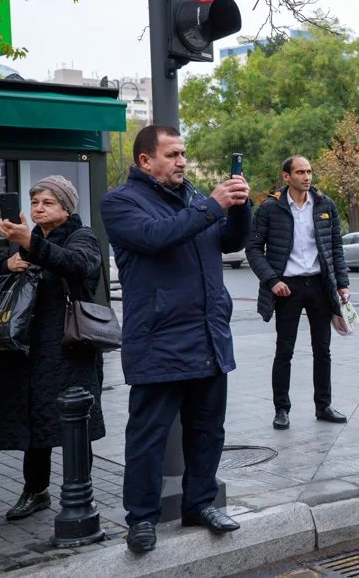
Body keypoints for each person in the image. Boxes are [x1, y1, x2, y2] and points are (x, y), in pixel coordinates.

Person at [102, 126, 251, 553]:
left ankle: (199, 503)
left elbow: (231, 241)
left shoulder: (194, 197)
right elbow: (155, 238)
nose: (182, 161)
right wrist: (211, 206)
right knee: (148, 437)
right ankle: (142, 519)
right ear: (145, 161)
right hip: (158, 340)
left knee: (208, 431)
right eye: (173, 154)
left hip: (208, 336)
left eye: (184, 153)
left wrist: (239, 207)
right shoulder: (121, 202)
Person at [0, 177, 105, 521]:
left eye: (48, 202)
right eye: (36, 202)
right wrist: (5, 263)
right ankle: (35, 490)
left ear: (66, 208)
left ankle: (81, 491)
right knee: (33, 422)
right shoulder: (27, 238)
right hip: (25, 347)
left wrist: (31, 245)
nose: (39, 208)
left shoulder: (81, 236)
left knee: (75, 422)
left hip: (68, 347)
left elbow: (79, 265)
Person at [245, 155, 351, 430]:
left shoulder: (325, 204)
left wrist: (342, 283)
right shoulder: (270, 208)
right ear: (286, 176)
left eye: (309, 171)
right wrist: (272, 281)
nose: (307, 177)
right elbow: (253, 249)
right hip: (287, 288)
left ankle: (323, 405)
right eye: (300, 172)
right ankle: (282, 409)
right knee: (285, 350)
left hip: (318, 284)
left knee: (323, 349)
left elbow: (335, 248)